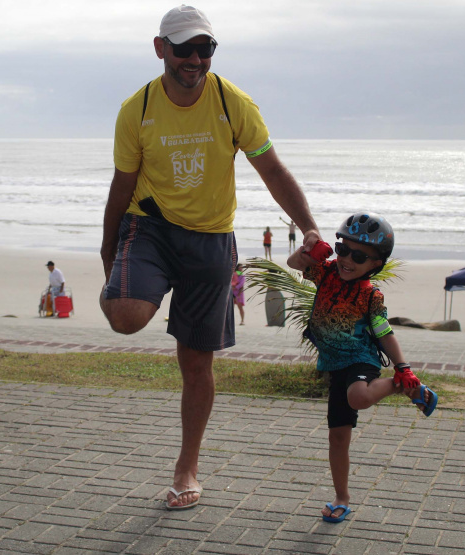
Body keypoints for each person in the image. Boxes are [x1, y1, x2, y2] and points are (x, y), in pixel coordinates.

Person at [99, 5, 324, 511]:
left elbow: (273, 170)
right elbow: (121, 186)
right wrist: (107, 248)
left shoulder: (232, 102)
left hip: (211, 237)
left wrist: (308, 226)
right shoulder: (136, 111)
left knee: (196, 363)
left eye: (206, 49)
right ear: (161, 49)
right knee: (126, 317)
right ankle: (118, 293)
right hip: (151, 225)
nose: (195, 60)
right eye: (184, 49)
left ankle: (187, 467)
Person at [286, 212, 438, 524]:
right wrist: (310, 249)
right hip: (334, 364)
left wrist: (403, 368)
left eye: (359, 256)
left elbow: (384, 332)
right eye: (343, 250)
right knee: (337, 437)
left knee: (359, 396)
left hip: (361, 359)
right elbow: (294, 264)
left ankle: (402, 386)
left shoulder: (371, 295)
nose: (346, 260)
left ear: (375, 264)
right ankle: (342, 497)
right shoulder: (325, 273)